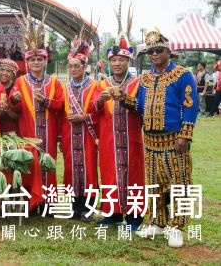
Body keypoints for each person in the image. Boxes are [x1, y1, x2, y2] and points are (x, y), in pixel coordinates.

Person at [120, 28, 198, 248]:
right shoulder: (145, 79)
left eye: (159, 50)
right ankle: (157, 222)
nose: (154, 54)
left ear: (168, 51)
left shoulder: (183, 75)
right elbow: (140, 107)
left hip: (174, 139)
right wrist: (125, 98)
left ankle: (177, 226)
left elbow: (191, 107)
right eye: (151, 51)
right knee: (154, 185)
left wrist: (185, 134)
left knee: (179, 183)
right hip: (151, 140)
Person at [93, 25, 144, 231]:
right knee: (110, 173)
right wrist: (100, 100)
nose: (117, 63)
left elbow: (143, 108)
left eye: (121, 60)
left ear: (128, 61)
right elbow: (93, 110)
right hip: (109, 139)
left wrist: (125, 99)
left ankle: (134, 216)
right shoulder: (102, 84)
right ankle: (113, 213)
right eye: (113, 60)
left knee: (133, 175)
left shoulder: (139, 83)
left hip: (131, 138)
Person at [9, 14, 64, 190]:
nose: (36, 62)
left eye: (39, 59)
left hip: (49, 130)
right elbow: (13, 107)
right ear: (27, 62)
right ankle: (32, 200)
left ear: (45, 61)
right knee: (29, 161)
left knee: (49, 162)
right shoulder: (20, 81)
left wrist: (47, 101)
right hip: (28, 128)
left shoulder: (53, 81)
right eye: (32, 60)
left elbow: (61, 105)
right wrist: (15, 100)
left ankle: (49, 201)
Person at [60, 36, 100, 222]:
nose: (73, 69)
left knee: (89, 169)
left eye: (77, 66)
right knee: (71, 169)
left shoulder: (94, 87)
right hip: (70, 135)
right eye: (71, 66)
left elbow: (100, 112)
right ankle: (75, 207)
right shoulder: (65, 87)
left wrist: (84, 118)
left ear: (84, 67)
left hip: (88, 135)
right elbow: (61, 111)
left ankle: (89, 208)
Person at [0, 59, 20, 134]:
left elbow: (20, 117)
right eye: (2, 70)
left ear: (13, 74)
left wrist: (8, 110)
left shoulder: (17, 89)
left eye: (8, 71)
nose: (4, 73)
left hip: (12, 129)